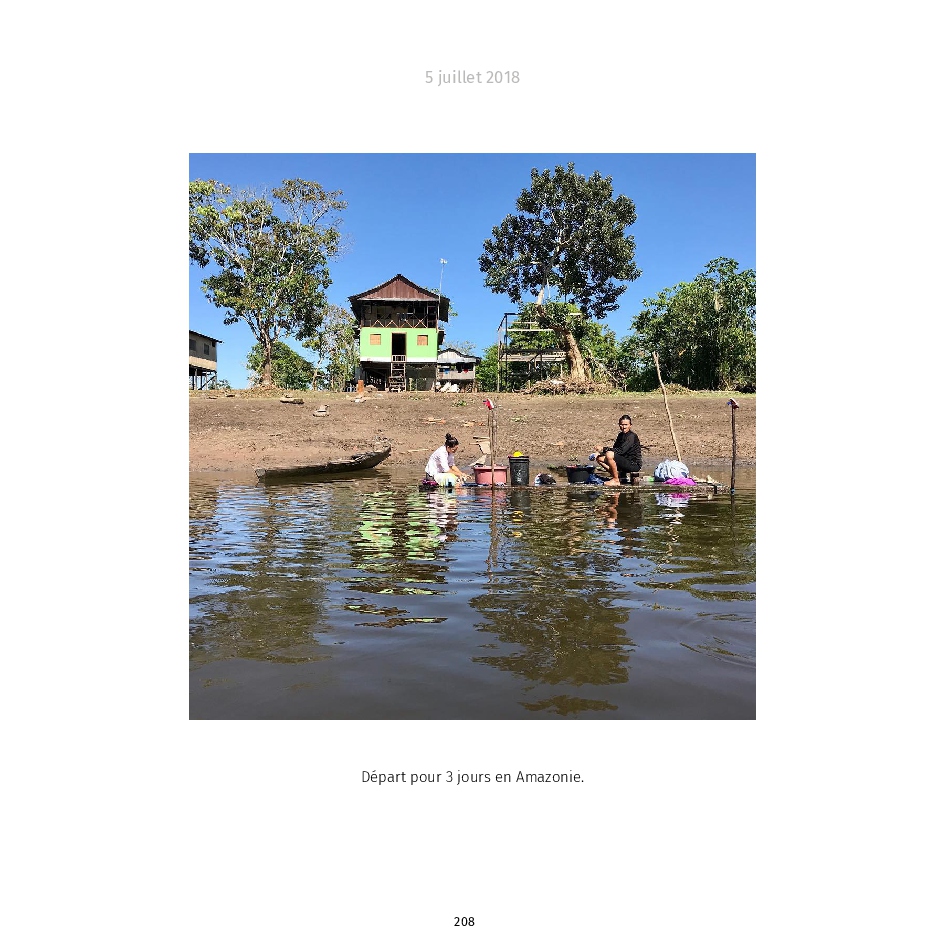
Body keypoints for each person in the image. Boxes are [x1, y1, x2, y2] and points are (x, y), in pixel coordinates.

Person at [594, 414, 642, 486]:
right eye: (622, 425)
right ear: (619, 425)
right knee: (599, 458)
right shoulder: (620, 435)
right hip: (623, 461)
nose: (624, 427)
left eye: (626, 425)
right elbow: (615, 449)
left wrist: (603, 449)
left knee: (609, 454)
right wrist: (600, 454)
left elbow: (621, 451)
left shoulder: (631, 436)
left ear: (630, 425)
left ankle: (616, 480)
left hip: (633, 464)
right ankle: (616, 475)